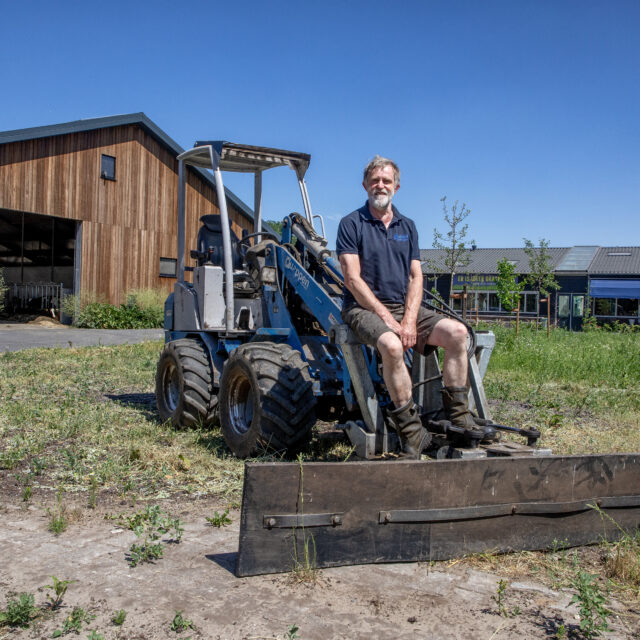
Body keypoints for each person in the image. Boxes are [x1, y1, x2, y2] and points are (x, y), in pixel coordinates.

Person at [336, 155, 478, 459]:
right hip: (363, 310)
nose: (380, 185)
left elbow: (416, 276)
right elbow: (352, 278)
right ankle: (412, 434)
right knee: (391, 345)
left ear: (396, 187)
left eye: (386, 180)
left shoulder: (408, 226)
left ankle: (459, 418)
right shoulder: (351, 224)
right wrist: (389, 319)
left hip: (405, 308)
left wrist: (410, 320)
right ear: (365, 185)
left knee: (457, 332)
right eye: (375, 180)